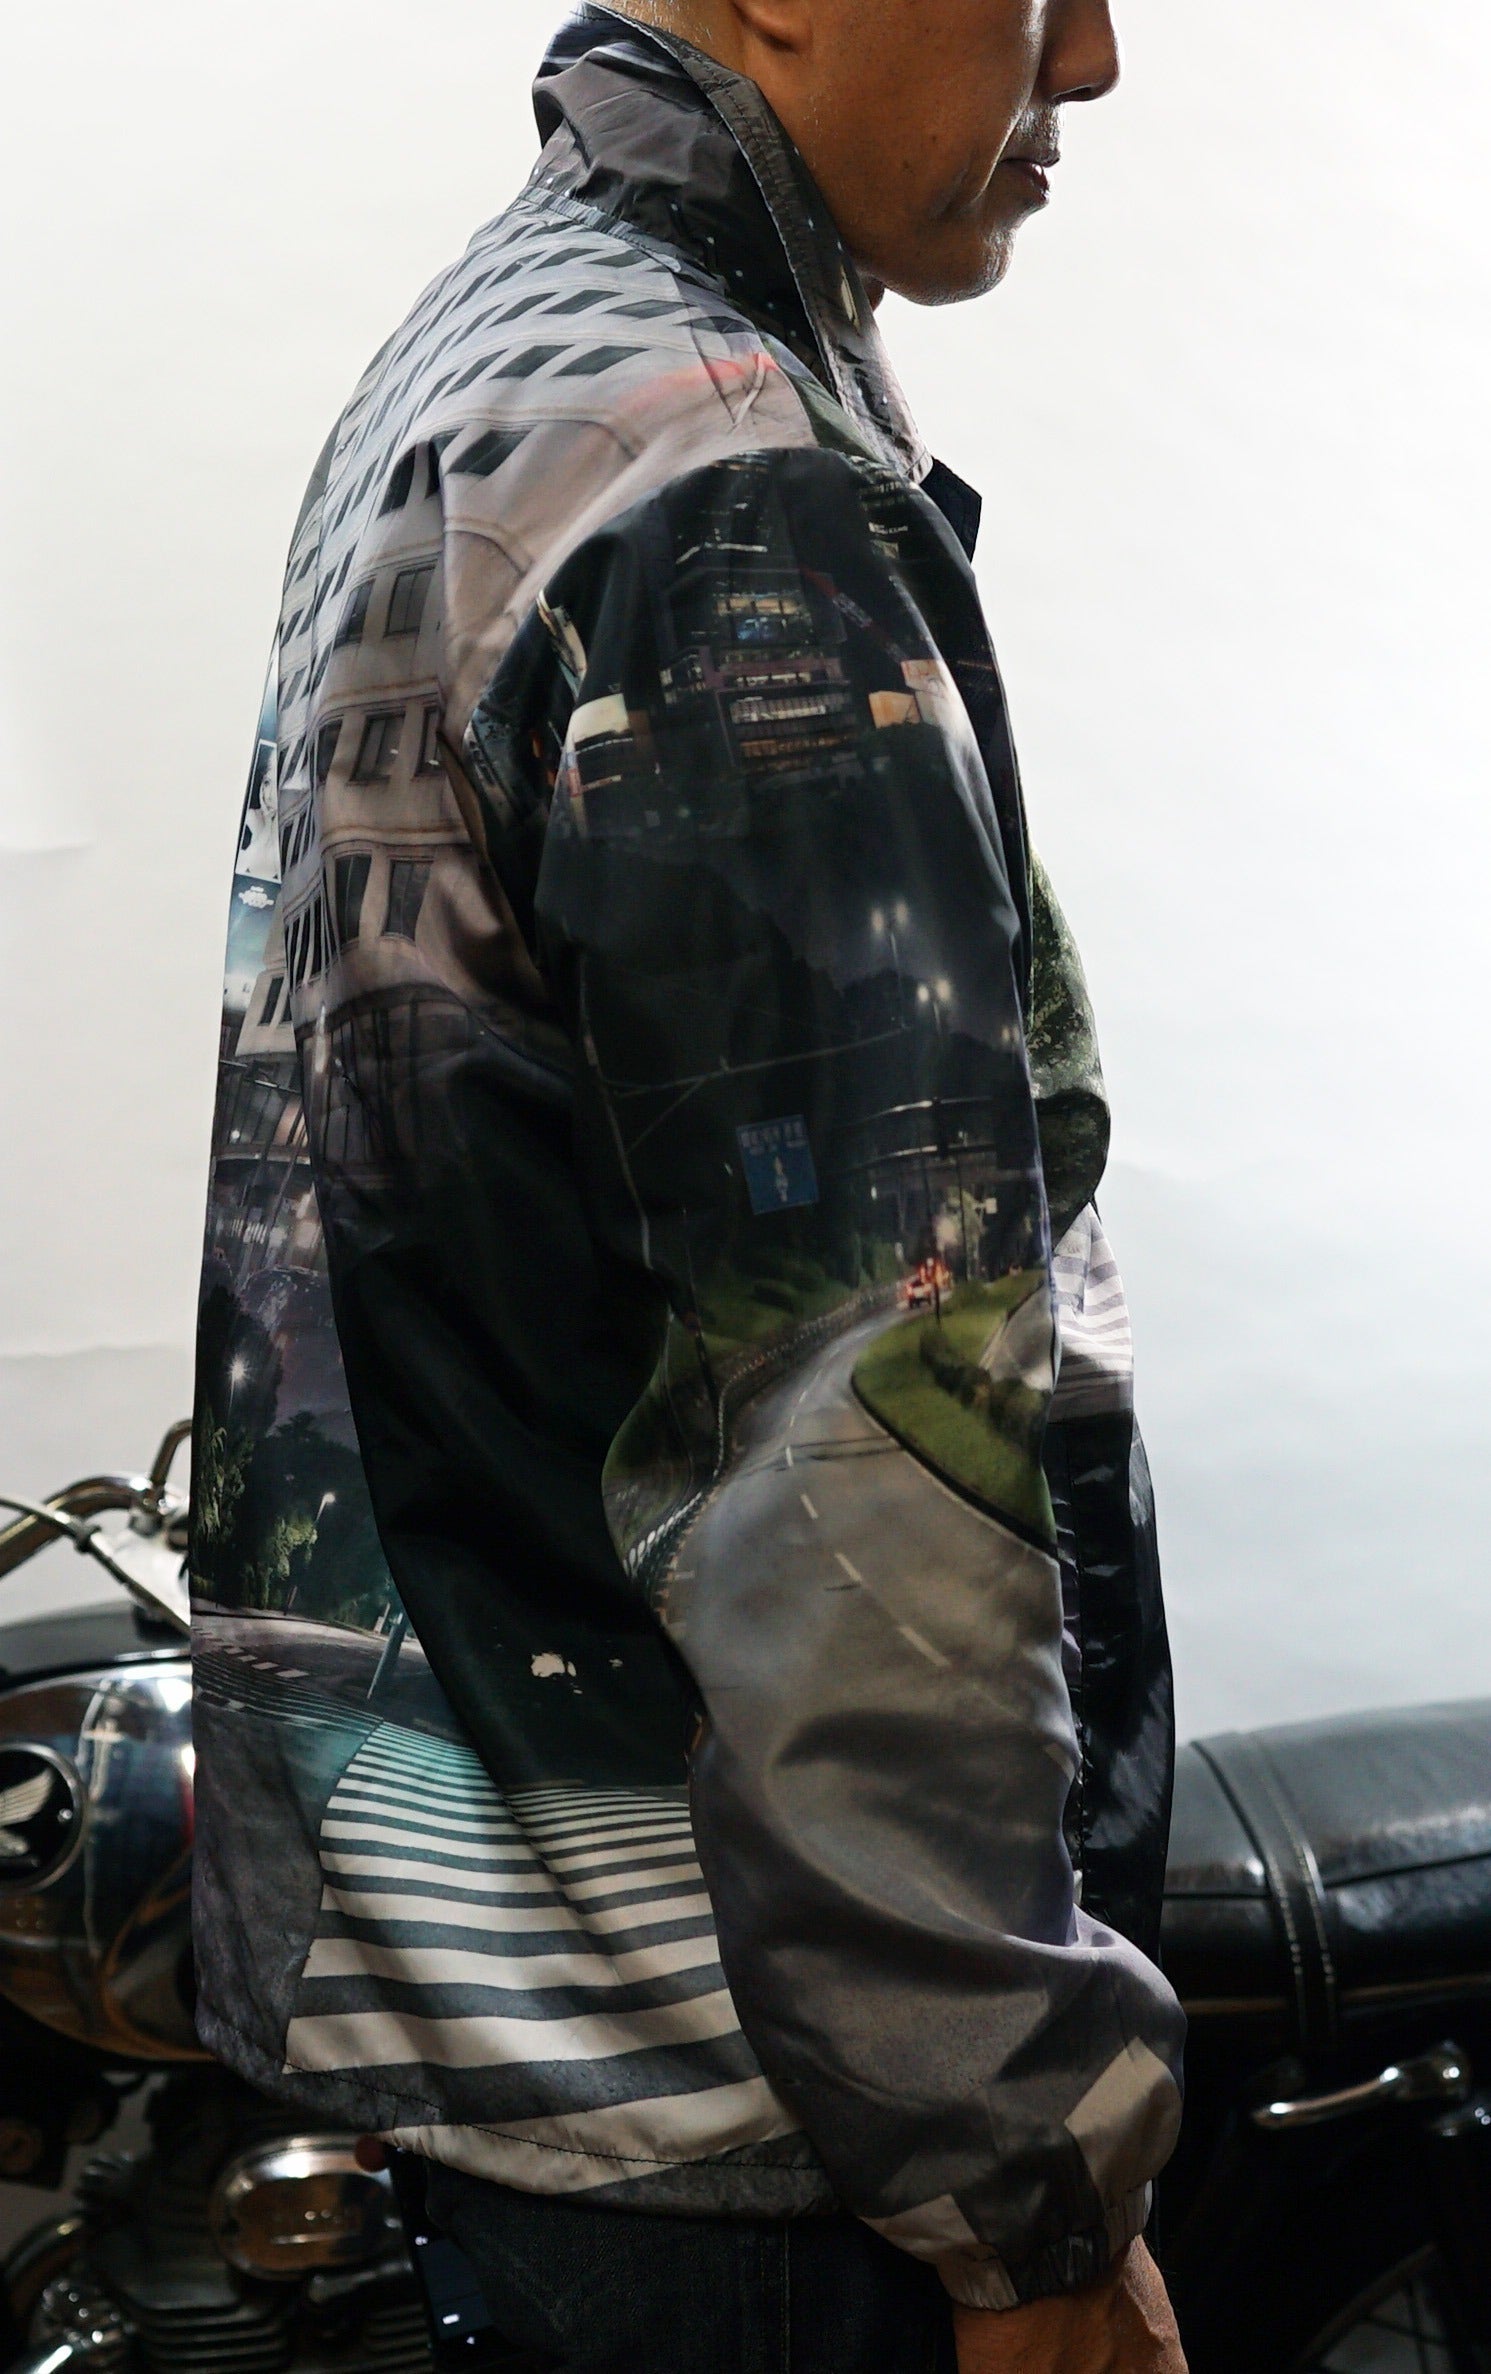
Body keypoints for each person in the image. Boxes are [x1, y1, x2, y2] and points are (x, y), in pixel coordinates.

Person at [189, 1, 1189, 2367]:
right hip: (766, 2122)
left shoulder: (501, 354)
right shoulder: (726, 485)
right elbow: (859, 1446)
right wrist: (1017, 2183)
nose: (1094, 58)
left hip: (528, 2035)